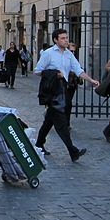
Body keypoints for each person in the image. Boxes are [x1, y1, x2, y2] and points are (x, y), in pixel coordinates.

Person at [33, 29, 99, 161]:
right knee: (61, 122)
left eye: (66, 37)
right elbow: (38, 71)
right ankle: (73, 151)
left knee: (50, 120)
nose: (66, 40)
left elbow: (78, 69)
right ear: (55, 40)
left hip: (63, 89)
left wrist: (91, 80)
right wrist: (54, 74)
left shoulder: (69, 54)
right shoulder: (48, 54)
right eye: (63, 38)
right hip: (52, 91)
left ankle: (39, 144)